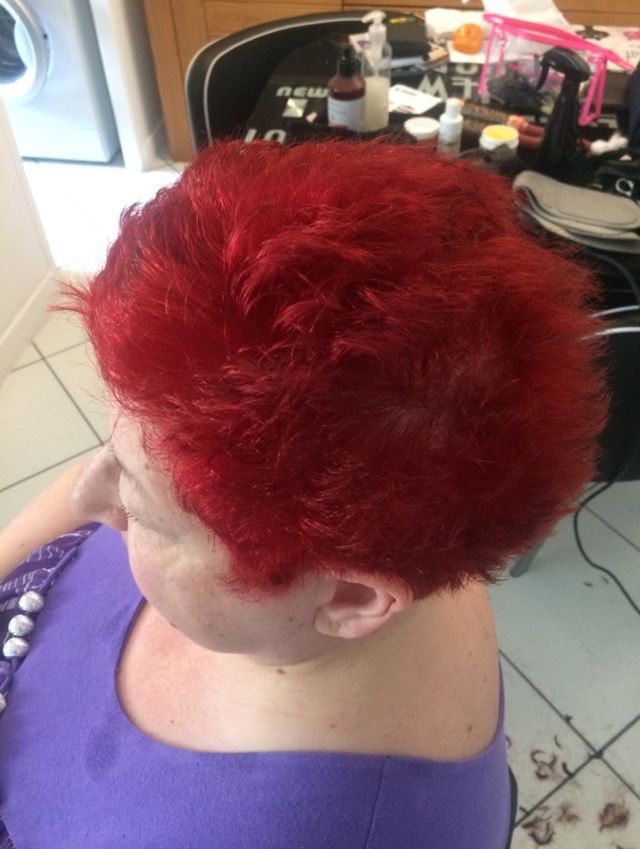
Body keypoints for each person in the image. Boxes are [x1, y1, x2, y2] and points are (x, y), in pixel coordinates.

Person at [0, 140, 608, 849]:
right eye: (116, 450)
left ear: (350, 598)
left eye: (142, 512)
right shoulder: (405, 518)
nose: (86, 495)